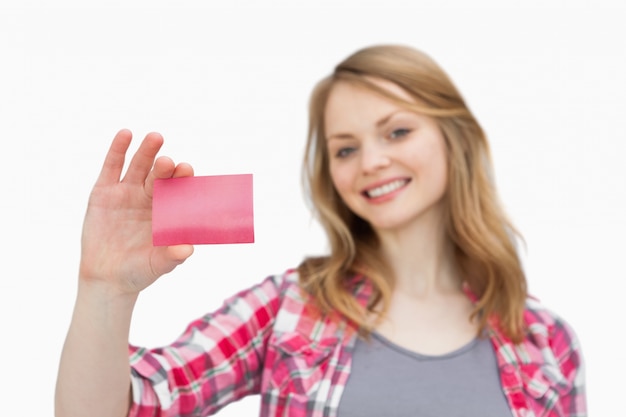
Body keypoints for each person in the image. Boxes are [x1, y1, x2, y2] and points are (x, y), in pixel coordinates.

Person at [55, 45, 586, 417]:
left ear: (456, 139)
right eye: (346, 148)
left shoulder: (545, 343)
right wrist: (103, 289)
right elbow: (128, 408)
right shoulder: (289, 309)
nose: (372, 161)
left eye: (397, 131)